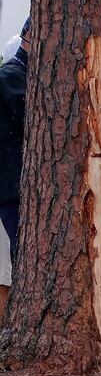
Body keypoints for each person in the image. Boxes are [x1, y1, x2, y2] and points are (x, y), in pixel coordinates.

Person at [0, 17, 29, 260]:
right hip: (12, 187)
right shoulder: (11, 76)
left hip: (15, 186)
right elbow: (30, 120)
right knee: (24, 250)